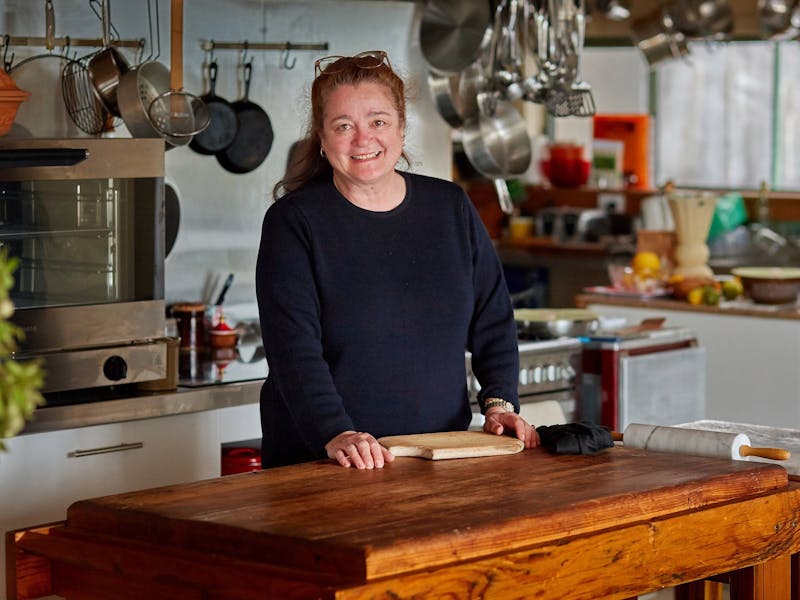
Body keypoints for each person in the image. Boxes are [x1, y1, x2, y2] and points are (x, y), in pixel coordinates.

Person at [256, 50, 539, 469]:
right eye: (343, 126)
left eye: (378, 122)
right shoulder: (294, 223)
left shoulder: (450, 207)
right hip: (329, 461)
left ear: (402, 127)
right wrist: (335, 432)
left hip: (438, 455)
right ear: (321, 136)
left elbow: (492, 316)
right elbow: (293, 350)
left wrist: (499, 401)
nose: (363, 139)